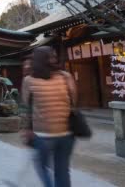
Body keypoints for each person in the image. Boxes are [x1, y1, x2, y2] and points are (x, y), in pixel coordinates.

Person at [22, 46, 77, 187]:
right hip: (66, 133)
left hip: (43, 134)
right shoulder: (66, 77)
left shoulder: (29, 80)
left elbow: (26, 104)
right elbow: (74, 100)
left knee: (41, 166)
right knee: (62, 170)